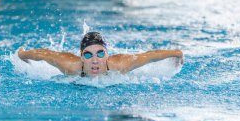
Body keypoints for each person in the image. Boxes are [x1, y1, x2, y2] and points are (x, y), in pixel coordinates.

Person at [18, 32, 183, 77]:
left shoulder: (120, 65)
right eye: (88, 55)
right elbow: (44, 54)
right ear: (81, 57)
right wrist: (23, 55)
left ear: (107, 55)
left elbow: (149, 56)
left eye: (100, 54)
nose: (95, 60)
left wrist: (176, 53)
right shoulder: (69, 65)